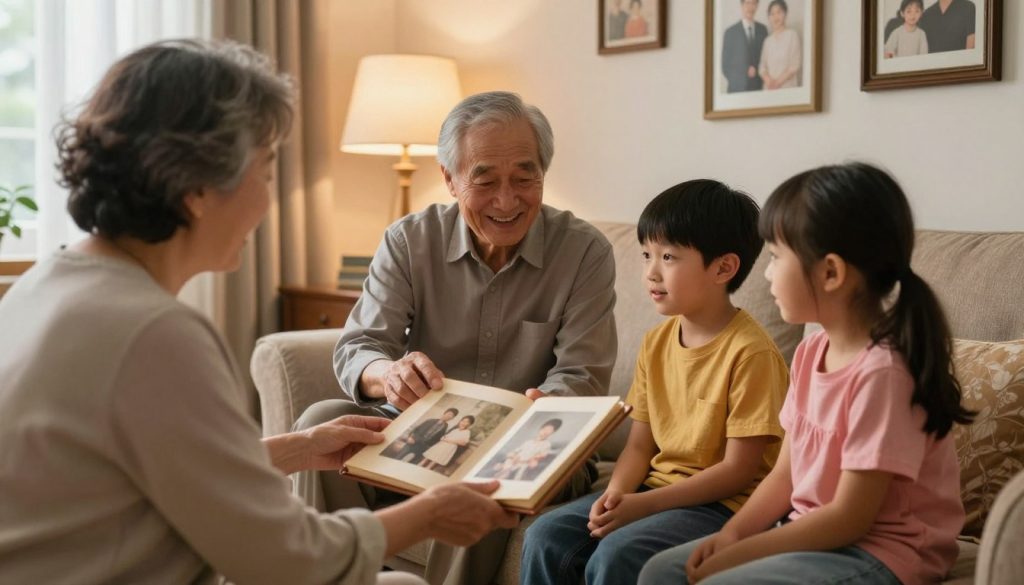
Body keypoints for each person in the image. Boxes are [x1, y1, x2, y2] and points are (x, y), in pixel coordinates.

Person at [0, 39, 519, 585]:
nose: (267, 201)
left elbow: (152, 465)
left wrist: (299, 447)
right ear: (198, 187)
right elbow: (287, 560)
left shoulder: (44, 285)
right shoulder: (154, 333)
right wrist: (428, 516)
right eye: (265, 172)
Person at [293, 90, 617, 585]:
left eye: (524, 178)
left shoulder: (584, 253)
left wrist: (530, 421)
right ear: (448, 179)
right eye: (484, 180)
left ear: (543, 175)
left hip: (534, 443)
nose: (507, 201)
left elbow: (582, 379)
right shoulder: (409, 240)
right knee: (324, 422)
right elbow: (360, 346)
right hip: (423, 428)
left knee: (489, 471)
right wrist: (390, 375)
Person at [639, 163, 974, 585]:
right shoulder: (810, 353)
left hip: (884, 552)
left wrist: (745, 551)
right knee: (660, 571)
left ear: (830, 272)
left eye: (777, 258)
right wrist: (733, 534)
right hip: (814, 535)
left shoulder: (883, 375)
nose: (765, 273)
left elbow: (850, 518)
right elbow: (785, 476)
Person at [520, 180, 790, 585]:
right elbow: (640, 445)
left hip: (723, 505)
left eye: (668, 256)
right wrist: (618, 495)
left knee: (619, 552)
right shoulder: (656, 342)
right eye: (647, 254)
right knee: (546, 535)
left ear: (724, 268)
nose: (650, 271)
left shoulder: (751, 353)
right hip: (653, 488)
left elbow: (737, 472)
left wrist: (643, 506)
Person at [490, 418, 562, 480]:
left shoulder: (546, 444)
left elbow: (541, 455)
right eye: (544, 430)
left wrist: (527, 460)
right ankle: (502, 471)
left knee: (516, 467)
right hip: (516, 458)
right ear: (541, 429)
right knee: (509, 461)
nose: (545, 433)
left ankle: (504, 472)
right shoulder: (529, 441)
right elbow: (518, 450)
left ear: (551, 433)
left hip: (525, 461)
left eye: (549, 432)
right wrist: (514, 456)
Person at [722, 0, 769, 92]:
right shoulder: (730, 32)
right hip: (737, 91)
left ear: (757, 6)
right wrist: (744, 71)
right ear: (742, 5)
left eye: (754, 3)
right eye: (747, 3)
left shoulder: (763, 30)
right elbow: (725, 66)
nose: (751, 7)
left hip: (758, 89)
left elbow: (767, 59)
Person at [758, 0, 801, 89]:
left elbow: (794, 65)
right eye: (772, 14)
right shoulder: (767, 41)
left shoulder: (792, 35)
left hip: (787, 88)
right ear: (769, 17)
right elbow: (762, 67)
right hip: (769, 90)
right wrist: (769, 81)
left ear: (785, 14)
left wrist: (777, 83)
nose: (775, 17)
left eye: (779, 12)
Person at [393, 407, 459, 464]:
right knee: (398, 457)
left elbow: (437, 439)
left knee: (413, 463)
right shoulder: (430, 420)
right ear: (445, 413)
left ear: (452, 418)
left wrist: (428, 447)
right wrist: (410, 437)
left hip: (423, 446)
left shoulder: (445, 427)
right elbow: (416, 429)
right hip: (413, 441)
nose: (449, 416)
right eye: (449, 414)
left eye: (452, 416)